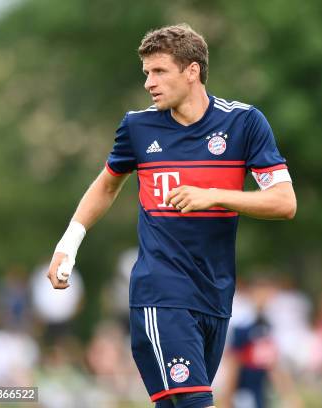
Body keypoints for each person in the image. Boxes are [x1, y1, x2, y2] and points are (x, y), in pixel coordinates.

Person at [47, 23, 296, 408]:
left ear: (192, 71)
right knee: (197, 402)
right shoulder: (138, 127)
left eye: (159, 71)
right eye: (146, 72)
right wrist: (69, 243)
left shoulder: (244, 123)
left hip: (215, 295)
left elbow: (284, 202)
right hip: (160, 292)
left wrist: (214, 196)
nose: (149, 82)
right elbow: (107, 185)